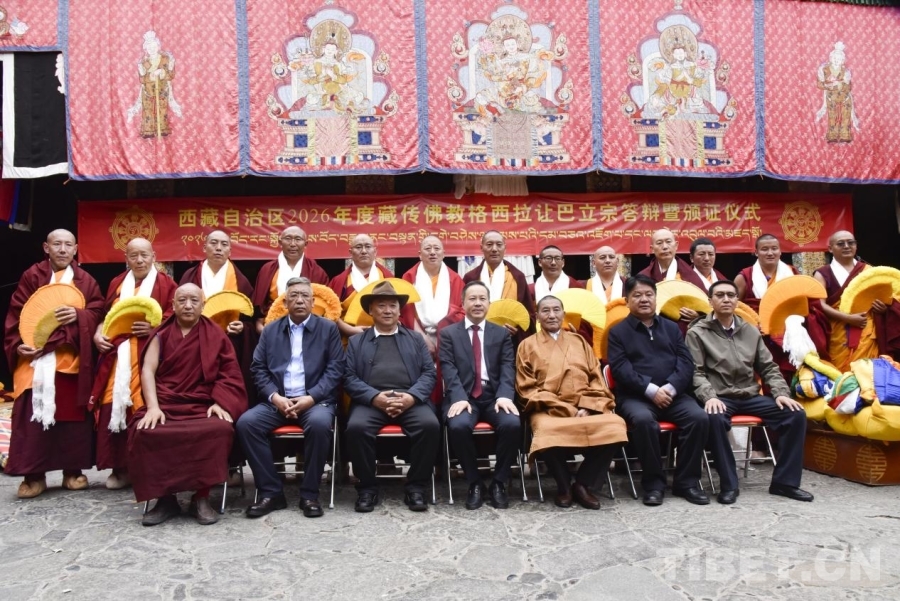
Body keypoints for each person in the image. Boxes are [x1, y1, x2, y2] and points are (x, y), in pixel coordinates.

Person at [128, 284, 248, 526]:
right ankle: (165, 499)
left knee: (220, 429)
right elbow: (148, 371)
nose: (188, 305)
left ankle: (201, 497)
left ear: (203, 305)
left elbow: (229, 373)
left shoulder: (216, 335)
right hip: (166, 405)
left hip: (201, 406)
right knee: (145, 431)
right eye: (182, 300)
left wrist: (220, 401)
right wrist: (153, 407)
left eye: (194, 300)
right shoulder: (161, 334)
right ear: (173, 305)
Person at [686, 280, 813, 503]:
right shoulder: (697, 332)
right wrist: (709, 397)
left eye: (730, 295)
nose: (726, 299)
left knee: (795, 414)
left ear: (737, 300)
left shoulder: (750, 331)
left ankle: (785, 483)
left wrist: (781, 393)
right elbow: (695, 371)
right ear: (710, 301)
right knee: (714, 418)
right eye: (720, 295)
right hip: (719, 397)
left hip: (749, 395)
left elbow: (768, 367)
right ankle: (729, 485)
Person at [4, 229, 105, 498]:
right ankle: (34, 475)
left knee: (72, 418)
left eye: (68, 245)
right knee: (31, 417)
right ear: (45, 248)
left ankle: (72, 471)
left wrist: (78, 315)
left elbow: (97, 312)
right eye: (56, 244)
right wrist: (19, 345)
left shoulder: (85, 281)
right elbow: (17, 313)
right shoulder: (32, 276)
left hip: (69, 357)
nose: (62, 249)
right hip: (36, 359)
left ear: (76, 249)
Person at [236, 277, 345, 519]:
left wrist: (311, 397)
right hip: (278, 401)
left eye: (305, 296)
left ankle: (310, 494)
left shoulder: (328, 329)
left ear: (313, 302)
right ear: (284, 303)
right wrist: (275, 397)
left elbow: (336, 368)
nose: (299, 300)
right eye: (293, 296)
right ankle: (271, 492)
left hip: (315, 401)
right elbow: (258, 368)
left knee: (319, 424)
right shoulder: (270, 330)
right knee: (247, 424)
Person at [607, 274, 710, 507]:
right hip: (636, 397)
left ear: (656, 298)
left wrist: (671, 387)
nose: (644, 299)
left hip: (674, 394)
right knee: (643, 421)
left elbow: (686, 362)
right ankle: (653, 484)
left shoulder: (672, 328)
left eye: (649, 294)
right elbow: (621, 369)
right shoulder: (618, 332)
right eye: (637, 295)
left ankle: (687, 483)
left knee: (699, 418)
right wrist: (651, 390)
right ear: (627, 301)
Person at [516, 295, 627, 509]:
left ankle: (582, 484)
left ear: (564, 314)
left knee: (616, 426)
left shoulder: (579, 341)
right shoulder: (526, 346)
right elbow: (526, 387)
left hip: (586, 405)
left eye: (556, 310)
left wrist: (588, 405)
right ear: (537, 316)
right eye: (545, 311)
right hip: (549, 408)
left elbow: (596, 377)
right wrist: (563, 407)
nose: (552, 315)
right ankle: (564, 485)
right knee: (546, 430)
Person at [344, 281, 439, 512]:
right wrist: (374, 397)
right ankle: (367, 488)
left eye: (393, 306)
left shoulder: (415, 339)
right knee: (356, 428)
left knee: (430, 425)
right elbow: (348, 377)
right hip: (371, 402)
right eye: (381, 305)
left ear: (399, 310)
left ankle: (416, 487)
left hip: (410, 400)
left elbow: (429, 373)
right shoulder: (357, 342)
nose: (388, 310)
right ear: (371, 310)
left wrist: (411, 397)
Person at [91, 237, 177, 490]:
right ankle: (120, 468)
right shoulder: (117, 283)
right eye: (133, 256)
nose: (139, 260)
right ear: (126, 259)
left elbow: (177, 317)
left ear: (154, 257)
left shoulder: (167, 284)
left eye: (144, 255)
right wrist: (98, 333)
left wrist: (154, 328)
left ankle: (146, 468)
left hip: (150, 353)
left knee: (144, 403)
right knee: (113, 402)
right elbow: (106, 316)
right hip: (118, 355)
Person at [439, 281, 520, 510]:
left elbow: (507, 367)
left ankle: (499, 483)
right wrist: (459, 397)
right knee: (458, 426)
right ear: (463, 303)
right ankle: (474, 482)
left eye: (482, 299)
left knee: (512, 424)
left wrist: (505, 395)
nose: (477, 303)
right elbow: (448, 369)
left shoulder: (501, 334)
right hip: (464, 396)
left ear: (489, 303)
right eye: (472, 299)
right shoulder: (448, 334)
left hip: (494, 396)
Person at [181, 230, 258, 402]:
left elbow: (251, 319)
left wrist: (243, 327)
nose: (218, 248)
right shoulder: (189, 276)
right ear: (204, 248)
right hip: (196, 339)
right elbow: (179, 310)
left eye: (224, 244)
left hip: (229, 341)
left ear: (230, 250)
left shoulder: (241, 280)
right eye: (213, 243)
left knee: (227, 386)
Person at [809, 231, 894, 372]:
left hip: (866, 329)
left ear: (856, 246)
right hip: (838, 332)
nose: (846, 246)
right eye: (840, 244)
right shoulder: (822, 273)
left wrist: (884, 309)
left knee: (869, 371)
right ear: (830, 248)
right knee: (841, 371)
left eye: (850, 242)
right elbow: (819, 304)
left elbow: (886, 299)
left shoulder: (869, 271)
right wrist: (848, 318)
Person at [253, 226, 329, 334]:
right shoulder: (267, 269)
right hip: (272, 325)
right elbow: (260, 304)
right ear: (280, 242)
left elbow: (322, 303)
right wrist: (260, 325)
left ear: (306, 243)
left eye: (298, 239)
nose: (293, 244)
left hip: (307, 327)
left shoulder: (317, 271)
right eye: (288, 238)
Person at [400, 235, 465, 356]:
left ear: (444, 254)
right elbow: (406, 312)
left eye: (437, 248)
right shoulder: (409, 277)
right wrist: (421, 337)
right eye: (427, 248)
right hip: (416, 336)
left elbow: (461, 311)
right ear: (420, 255)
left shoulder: (455, 279)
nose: (432, 252)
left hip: (448, 338)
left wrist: (444, 337)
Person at [463, 231, 534, 334]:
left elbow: (528, 314)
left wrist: (517, 329)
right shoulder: (471, 277)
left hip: (510, 339)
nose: (494, 249)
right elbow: (463, 310)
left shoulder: (517, 277)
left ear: (505, 248)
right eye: (489, 244)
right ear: (481, 247)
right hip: (477, 334)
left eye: (499, 245)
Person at [329, 234, 394, 338]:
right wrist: (348, 329)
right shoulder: (339, 281)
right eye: (358, 247)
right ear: (350, 252)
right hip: (349, 338)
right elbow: (329, 311)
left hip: (384, 335)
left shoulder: (387, 277)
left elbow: (399, 310)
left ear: (375, 251)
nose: (363, 251)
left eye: (368, 246)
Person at [638, 228, 701, 323]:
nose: (665, 247)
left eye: (668, 242)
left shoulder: (689, 274)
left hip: (682, 326)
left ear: (676, 245)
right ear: (652, 249)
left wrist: (698, 316)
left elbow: (705, 305)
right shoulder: (644, 276)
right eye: (659, 243)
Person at [734, 234, 798, 313]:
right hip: (755, 320)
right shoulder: (745, 276)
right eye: (764, 249)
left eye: (774, 249)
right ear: (756, 252)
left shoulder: (792, 272)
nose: (770, 253)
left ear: (780, 251)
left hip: (787, 318)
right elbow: (734, 307)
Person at [815, 42, 858, 144]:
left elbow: (849, 86)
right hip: (831, 97)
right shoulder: (824, 69)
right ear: (830, 58)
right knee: (832, 116)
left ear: (842, 61)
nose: (836, 60)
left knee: (845, 116)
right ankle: (832, 135)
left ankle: (845, 135)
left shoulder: (846, 71)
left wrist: (841, 85)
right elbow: (819, 84)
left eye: (839, 59)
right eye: (834, 58)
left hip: (845, 97)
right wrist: (828, 86)